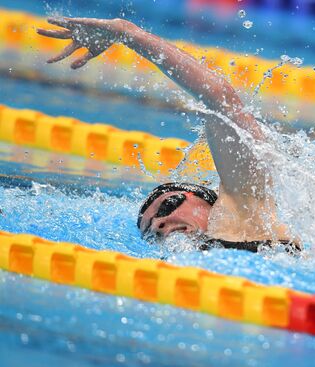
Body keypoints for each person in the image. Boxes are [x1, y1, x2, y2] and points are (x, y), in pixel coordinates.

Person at [38, 16, 300, 252]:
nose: (159, 224)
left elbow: (220, 99)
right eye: (149, 230)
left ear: (210, 202)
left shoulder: (245, 216)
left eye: (168, 205)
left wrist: (128, 34)